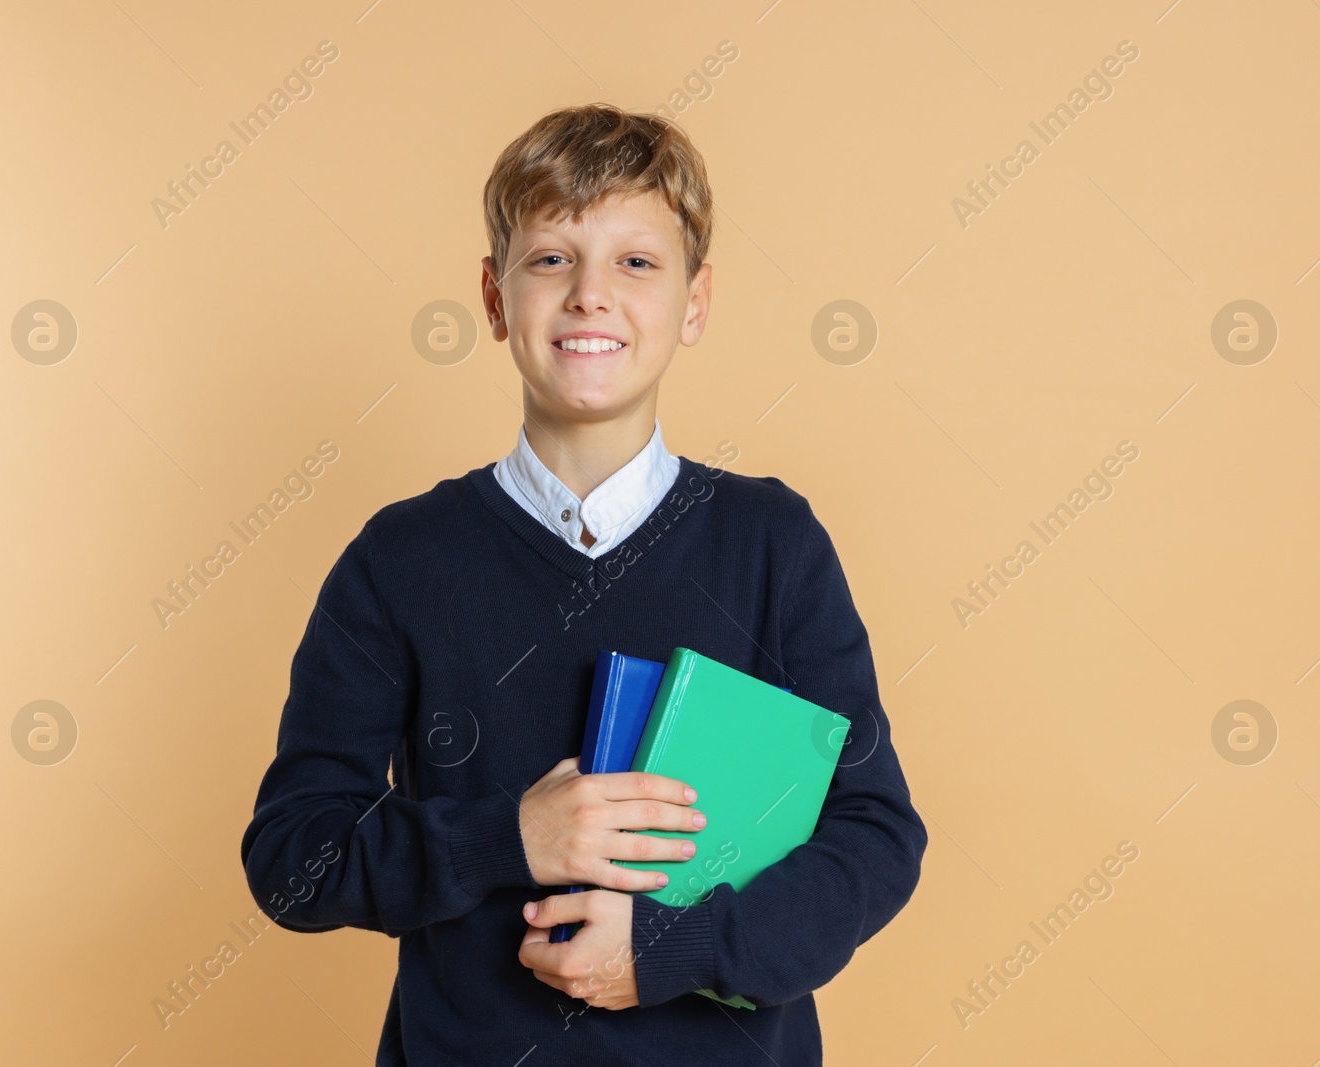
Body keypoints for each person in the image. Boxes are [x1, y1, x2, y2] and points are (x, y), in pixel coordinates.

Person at [240, 101, 928, 1065]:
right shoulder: (397, 561)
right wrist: (504, 837)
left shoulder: (772, 544)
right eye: (552, 258)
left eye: (637, 262)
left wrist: (677, 950)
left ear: (695, 303)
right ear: (493, 297)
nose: (590, 295)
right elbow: (291, 861)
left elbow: (875, 835)